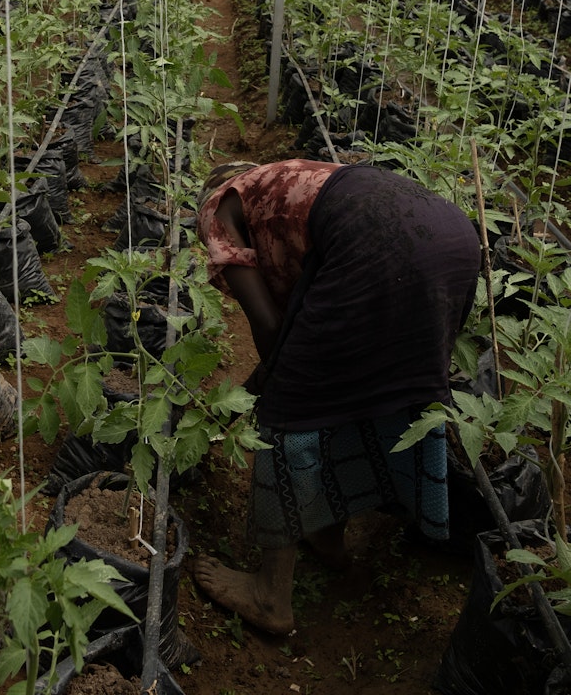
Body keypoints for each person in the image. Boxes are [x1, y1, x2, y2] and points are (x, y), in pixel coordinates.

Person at [193, 158, 481, 635]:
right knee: (373, 391)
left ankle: (269, 595)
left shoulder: (219, 204)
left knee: (294, 405)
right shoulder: (298, 176)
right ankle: (326, 535)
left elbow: (269, 327)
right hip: (454, 239)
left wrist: (264, 388)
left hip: (380, 244)